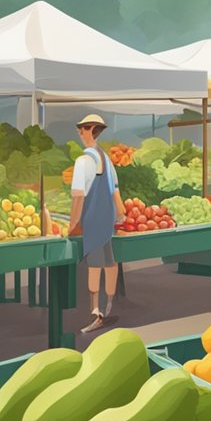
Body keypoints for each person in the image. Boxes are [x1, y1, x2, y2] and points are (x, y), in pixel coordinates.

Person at [68, 114, 125, 333]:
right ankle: (109, 307)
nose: (79, 132)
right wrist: (121, 215)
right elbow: (115, 191)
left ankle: (95, 312)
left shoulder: (83, 162)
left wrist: (73, 225)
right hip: (107, 218)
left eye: (82, 129)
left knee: (94, 265)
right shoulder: (106, 159)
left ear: (91, 129)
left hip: (91, 219)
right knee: (109, 262)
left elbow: (78, 196)